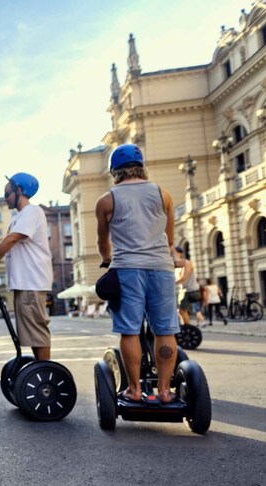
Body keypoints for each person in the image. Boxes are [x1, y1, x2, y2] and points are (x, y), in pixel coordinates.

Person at [95, 143, 182, 403]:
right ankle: (165, 391)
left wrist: (107, 259)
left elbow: (103, 242)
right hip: (161, 269)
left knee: (130, 330)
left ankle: (134, 389)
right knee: (165, 329)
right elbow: (169, 239)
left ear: (115, 171)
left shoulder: (107, 200)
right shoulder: (163, 195)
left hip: (127, 270)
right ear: (141, 167)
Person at [0, 172, 53, 360]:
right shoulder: (19, 217)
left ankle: (46, 375)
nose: (4, 198)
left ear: (19, 191)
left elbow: (12, 239)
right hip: (24, 282)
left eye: (7, 193)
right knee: (31, 333)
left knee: (36, 331)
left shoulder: (32, 212)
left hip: (31, 281)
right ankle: (41, 371)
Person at [174, 247, 205, 327]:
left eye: (174, 253)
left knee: (182, 311)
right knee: (182, 310)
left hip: (192, 291)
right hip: (187, 291)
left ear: (179, 253)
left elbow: (184, 278)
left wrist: (172, 283)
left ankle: (188, 328)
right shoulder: (179, 264)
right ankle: (187, 327)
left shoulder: (187, 263)